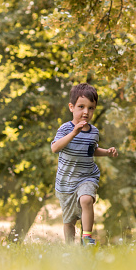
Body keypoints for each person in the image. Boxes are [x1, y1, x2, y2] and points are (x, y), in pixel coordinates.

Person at [51, 83, 118, 245]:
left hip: (87, 176)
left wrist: (106, 152)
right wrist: (74, 133)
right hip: (66, 182)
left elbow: (91, 151)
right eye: (81, 107)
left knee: (87, 200)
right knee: (69, 222)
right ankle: (70, 248)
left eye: (91, 108)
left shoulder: (94, 131)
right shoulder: (66, 128)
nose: (86, 112)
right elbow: (55, 148)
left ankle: (87, 238)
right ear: (71, 107)